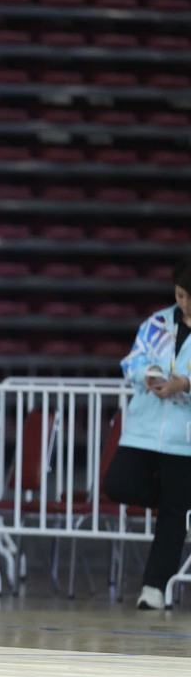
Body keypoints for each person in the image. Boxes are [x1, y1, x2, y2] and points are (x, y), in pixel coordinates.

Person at [104, 257, 191, 611]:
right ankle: (181, 504)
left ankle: (154, 588)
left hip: (184, 439)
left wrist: (186, 384)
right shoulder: (157, 323)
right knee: (117, 484)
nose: (184, 303)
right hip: (144, 428)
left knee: (173, 512)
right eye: (181, 295)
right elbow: (133, 360)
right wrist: (149, 374)